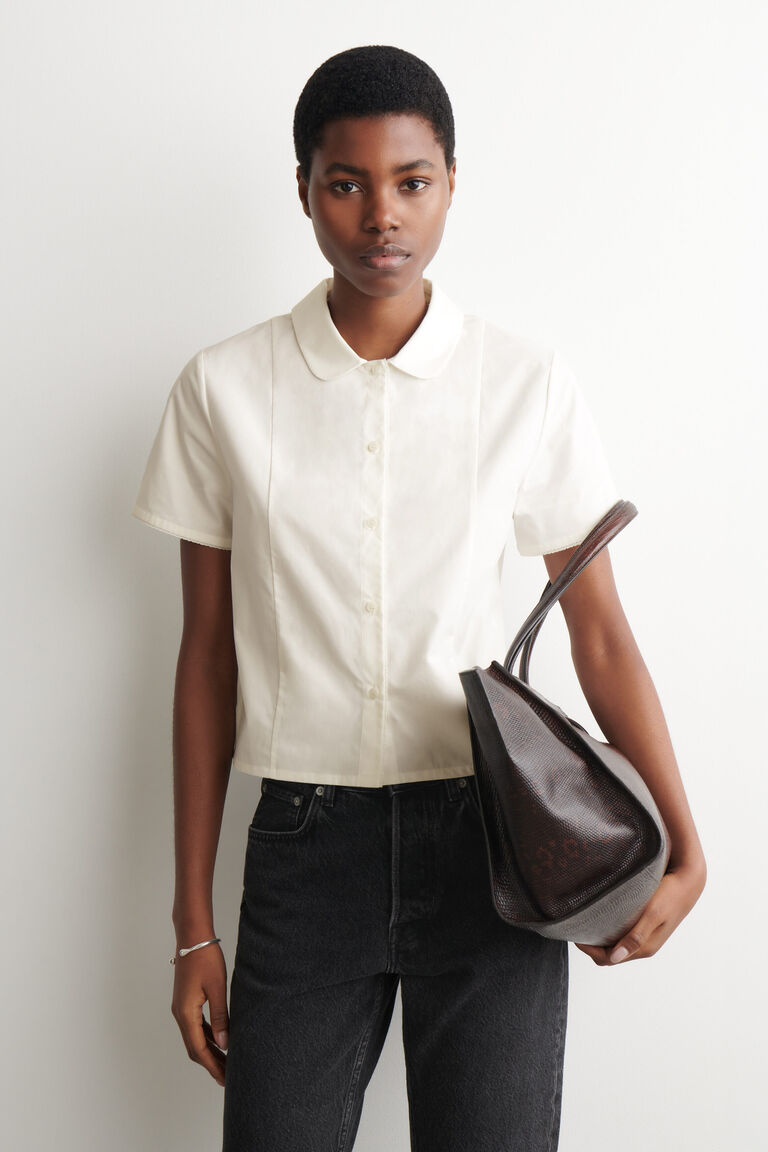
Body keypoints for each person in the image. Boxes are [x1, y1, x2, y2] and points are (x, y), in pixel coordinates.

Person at [131, 44, 706, 1152]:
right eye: (346, 183)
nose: (381, 215)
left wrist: (683, 847)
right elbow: (206, 657)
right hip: (305, 844)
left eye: (412, 181)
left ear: (452, 183)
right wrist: (192, 925)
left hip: (497, 844)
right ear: (305, 190)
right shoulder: (223, 388)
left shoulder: (524, 382)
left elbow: (601, 635)